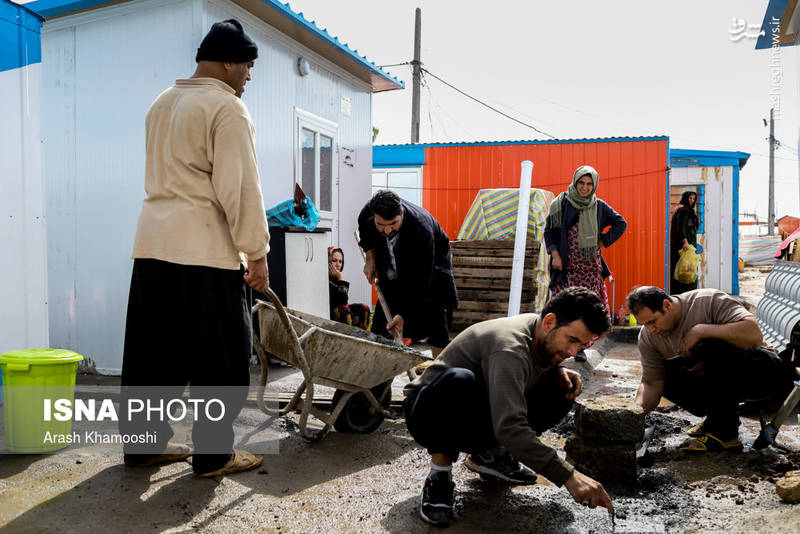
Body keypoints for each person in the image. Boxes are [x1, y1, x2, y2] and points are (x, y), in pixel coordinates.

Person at [120, 19, 268, 477]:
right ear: (226, 61)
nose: (248, 76)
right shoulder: (226, 109)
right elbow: (239, 188)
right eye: (246, 65)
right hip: (205, 252)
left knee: (152, 356)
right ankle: (213, 455)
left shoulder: (161, 103)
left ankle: (143, 448)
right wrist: (257, 254)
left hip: (152, 247)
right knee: (219, 358)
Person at [404, 287, 614, 526]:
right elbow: (510, 427)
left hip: (477, 407)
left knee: (561, 388)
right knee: (460, 381)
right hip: (428, 413)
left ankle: (490, 456)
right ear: (550, 321)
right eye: (572, 340)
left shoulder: (541, 332)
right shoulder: (510, 346)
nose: (572, 352)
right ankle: (439, 475)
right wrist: (568, 475)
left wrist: (557, 370)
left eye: (581, 346)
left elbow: (527, 372)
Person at [626, 286, 797, 453]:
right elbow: (652, 384)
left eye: (652, 321)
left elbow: (754, 334)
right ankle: (718, 418)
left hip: (764, 375)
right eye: (645, 324)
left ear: (667, 305)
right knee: (665, 374)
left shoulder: (707, 301)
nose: (651, 330)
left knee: (710, 345)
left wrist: (702, 330)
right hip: (724, 384)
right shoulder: (648, 337)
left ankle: (725, 435)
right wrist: (633, 413)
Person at [358, 190, 457, 356]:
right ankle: (378, 377)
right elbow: (365, 232)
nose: (388, 230)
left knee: (435, 319)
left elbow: (421, 279)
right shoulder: (367, 213)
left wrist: (404, 314)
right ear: (374, 216)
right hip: (392, 262)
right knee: (382, 326)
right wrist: (370, 258)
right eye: (381, 225)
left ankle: (441, 373)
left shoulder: (421, 229)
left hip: (431, 268)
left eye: (393, 224)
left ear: (401, 213)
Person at [544, 165, 626, 360]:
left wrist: (603, 241)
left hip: (590, 268)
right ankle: (554, 345)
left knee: (586, 309)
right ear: (575, 182)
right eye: (581, 182)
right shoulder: (561, 203)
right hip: (566, 266)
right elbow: (549, 231)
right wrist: (554, 254)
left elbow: (620, 223)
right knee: (564, 306)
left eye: (589, 184)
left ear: (594, 185)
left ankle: (579, 347)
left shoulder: (599, 206)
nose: (585, 188)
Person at [328, 247, 371, 328]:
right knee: (343, 309)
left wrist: (340, 279)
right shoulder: (325, 279)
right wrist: (340, 278)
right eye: (334, 261)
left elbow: (344, 302)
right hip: (329, 315)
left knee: (364, 308)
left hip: (340, 313)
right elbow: (342, 302)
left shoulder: (337, 279)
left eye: (340, 262)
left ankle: (360, 338)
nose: (338, 265)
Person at [670, 191, 700, 294]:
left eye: (693, 198)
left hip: (689, 244)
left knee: (688, 267)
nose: (691, 200)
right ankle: (686, 293)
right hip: (685, 246)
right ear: (685, 198)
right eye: (689, 198)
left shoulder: (687, 210)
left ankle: (687, 292)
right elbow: (681, 228)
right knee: (686, 269)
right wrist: (685, 242)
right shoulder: (683, 210)